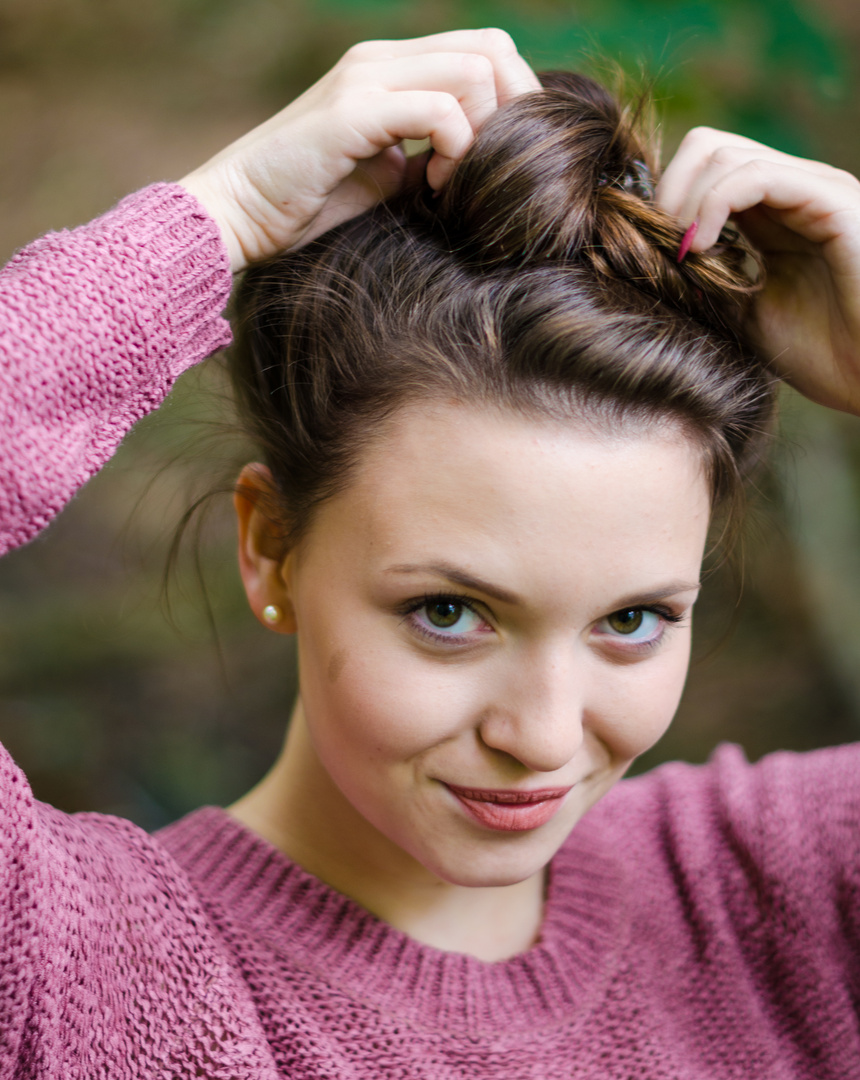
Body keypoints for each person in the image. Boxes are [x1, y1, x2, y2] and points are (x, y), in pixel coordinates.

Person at [1, 26, 860, 1079]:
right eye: (449, 612)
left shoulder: (779, 897)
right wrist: (216, 220)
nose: (540, 737)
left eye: (630, 620)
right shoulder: (73, 972)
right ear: (271, 547)